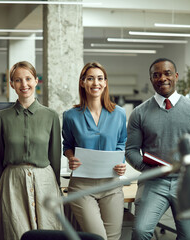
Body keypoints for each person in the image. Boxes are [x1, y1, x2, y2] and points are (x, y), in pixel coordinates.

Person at [125, 58, 190, 240]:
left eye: (167, 73)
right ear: (151, 79)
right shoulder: (139, 113)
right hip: (153, 183)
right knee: (141, 231)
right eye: (156, 75)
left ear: (176, 76)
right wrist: (149, 170)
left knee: (189, 236)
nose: (162, 78)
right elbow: (131, 150)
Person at [0, 61, 63, 240]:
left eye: (28, 79)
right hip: (12, 182)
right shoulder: (2, 117)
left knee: (47, 232)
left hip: (45, 181)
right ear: (12, 85)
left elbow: (55, 156)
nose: (24, 84)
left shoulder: (51, 116)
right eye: (18, 80)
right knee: (16, 233)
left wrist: (57, 187)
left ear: (36, 81)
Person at [62, 62, 127, 240]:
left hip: (111, 186)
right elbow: (67, 145)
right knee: (97, 238)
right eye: (90, 78)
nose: (95, 83)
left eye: (99, 78)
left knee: (113, 238)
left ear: (105, 82)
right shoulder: (70, 115)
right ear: (82, 83)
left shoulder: (119, 113)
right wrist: (71, 157)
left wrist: (121, 162)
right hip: (83, 187)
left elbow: (122, 142)